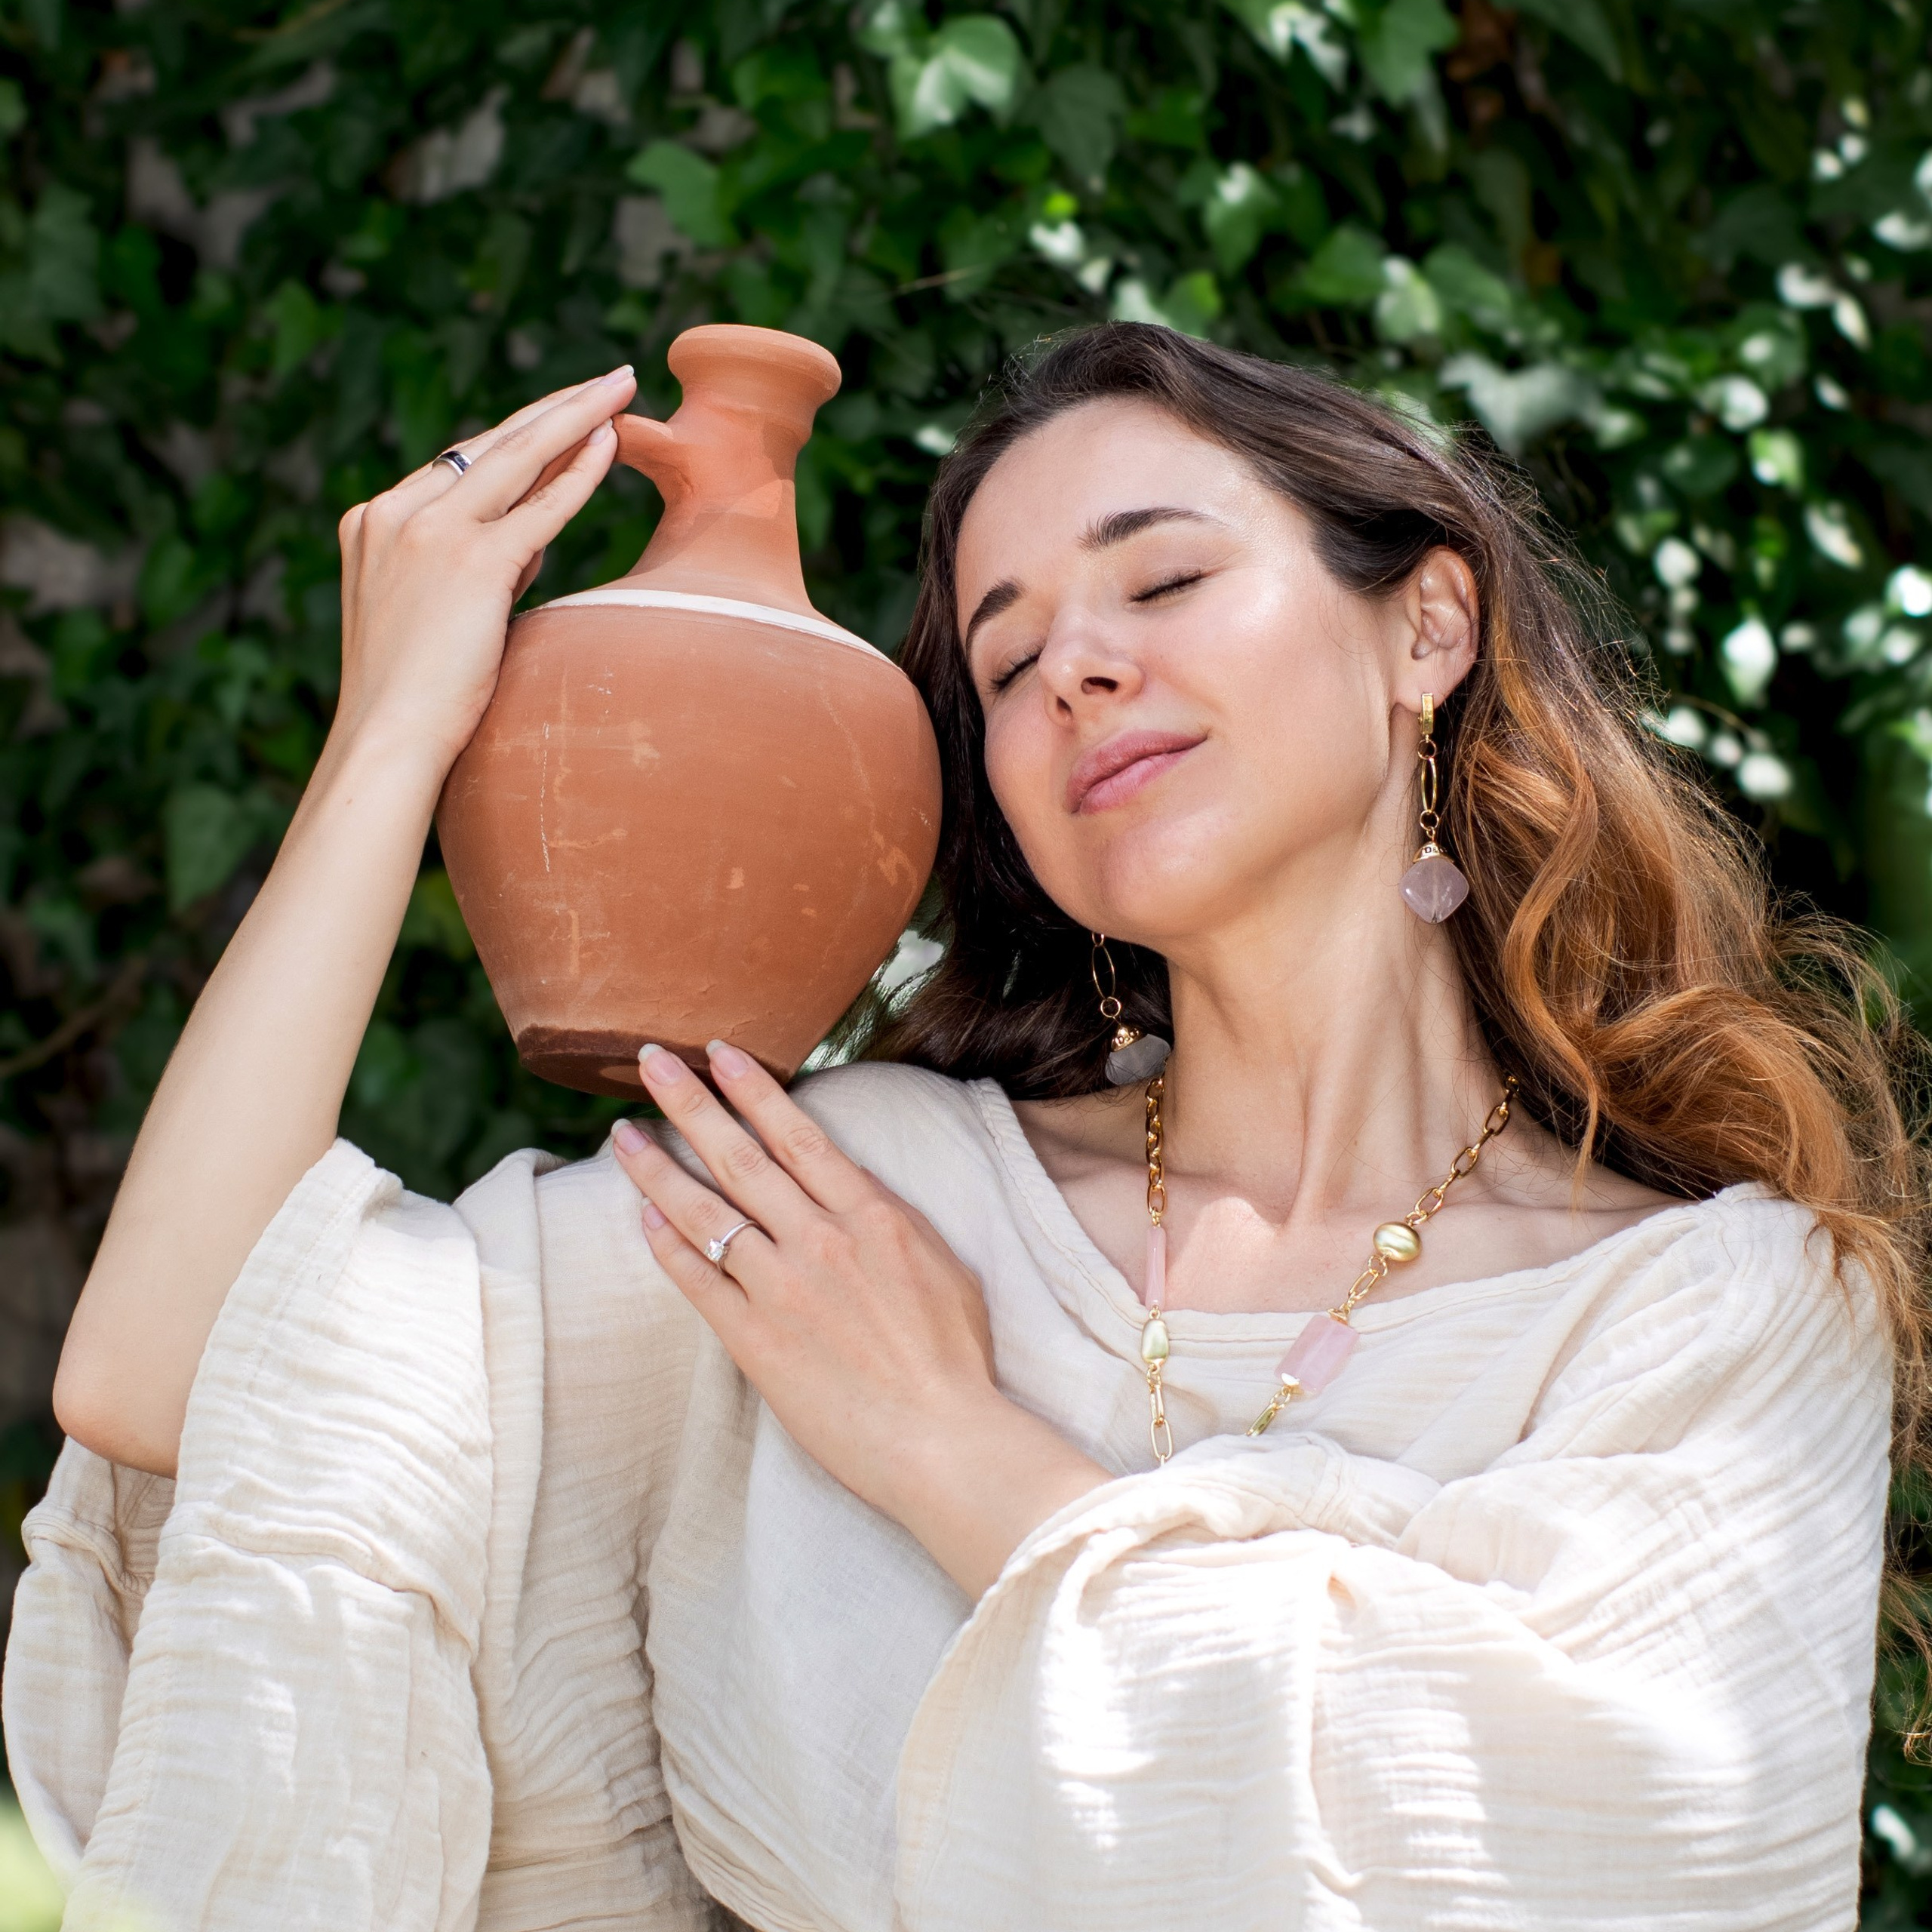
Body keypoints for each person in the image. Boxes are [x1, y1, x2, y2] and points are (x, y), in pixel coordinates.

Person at [6, 323, 1921, 1930]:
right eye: (1007, 662)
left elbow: (1592, 1867)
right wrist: (390, 736)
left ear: (1423, 627)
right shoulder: (852, 1206)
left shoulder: (1716, 1310)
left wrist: (943, 1436)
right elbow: (179, 1381)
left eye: (1162, 581)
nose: (1077, 665)